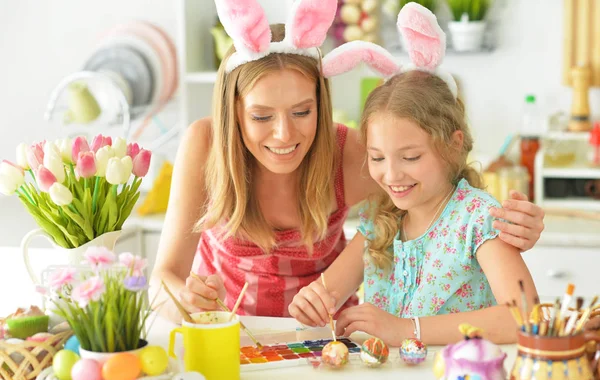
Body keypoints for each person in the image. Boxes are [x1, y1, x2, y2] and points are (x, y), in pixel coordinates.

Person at [150, 0, 544, 324]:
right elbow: (163, 279)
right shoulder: (205, 144)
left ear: (322, 104)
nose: (284, 135)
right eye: (261, 116)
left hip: (324, 338)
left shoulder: (357, 154)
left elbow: (444, 190)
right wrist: (184, 298)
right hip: (227, 330)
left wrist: (512, 224)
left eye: (302, 112)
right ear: (232, 113)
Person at [288, 3, 538, 345]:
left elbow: (524, 315)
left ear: (453, 145)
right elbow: (325, 293)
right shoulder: (380, 221)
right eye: (377, 158)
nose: (391, 174)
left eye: (410, 157)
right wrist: (310, 302)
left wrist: (406, 330)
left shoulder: (477, 218)